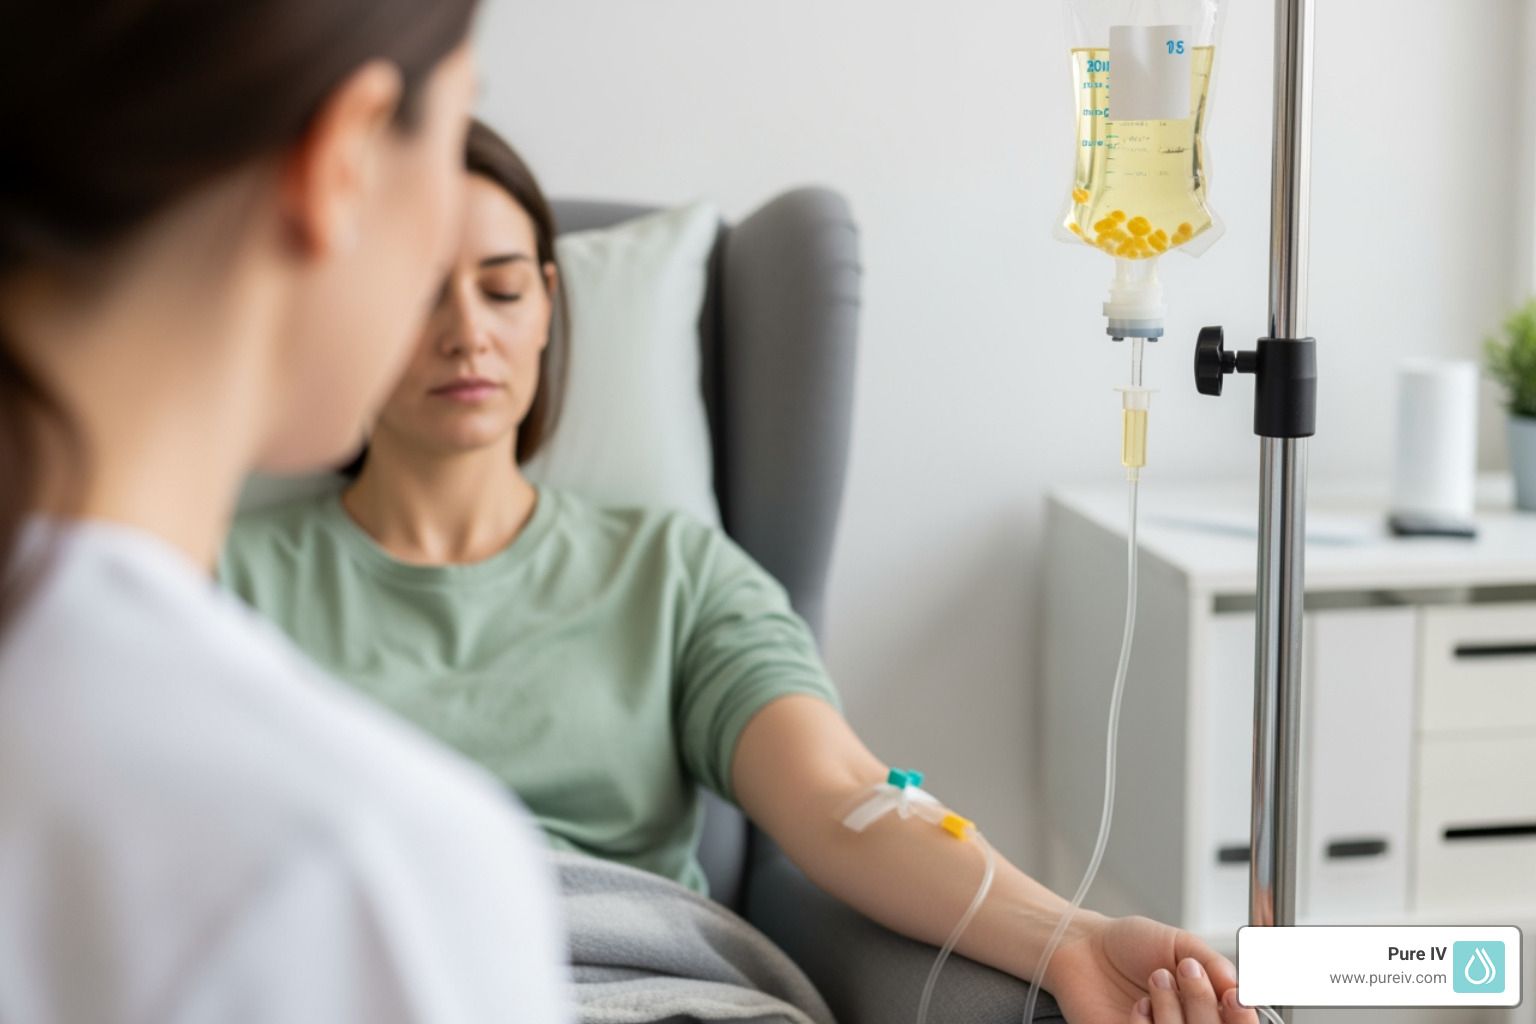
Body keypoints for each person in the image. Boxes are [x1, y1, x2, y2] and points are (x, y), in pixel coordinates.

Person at [222, 119, 1259, 1024]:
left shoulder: (669, 571)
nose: (467, 333)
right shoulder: (223, 585)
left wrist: (1069, 937)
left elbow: (845, 790)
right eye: (415, 295)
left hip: (645, 987)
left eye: (500, 288)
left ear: (546, 304)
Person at [0, 7, 569, 1022]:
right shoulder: (360, 870)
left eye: (504, 286)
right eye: (455, 129)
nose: (465, 331)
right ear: (344, 155)